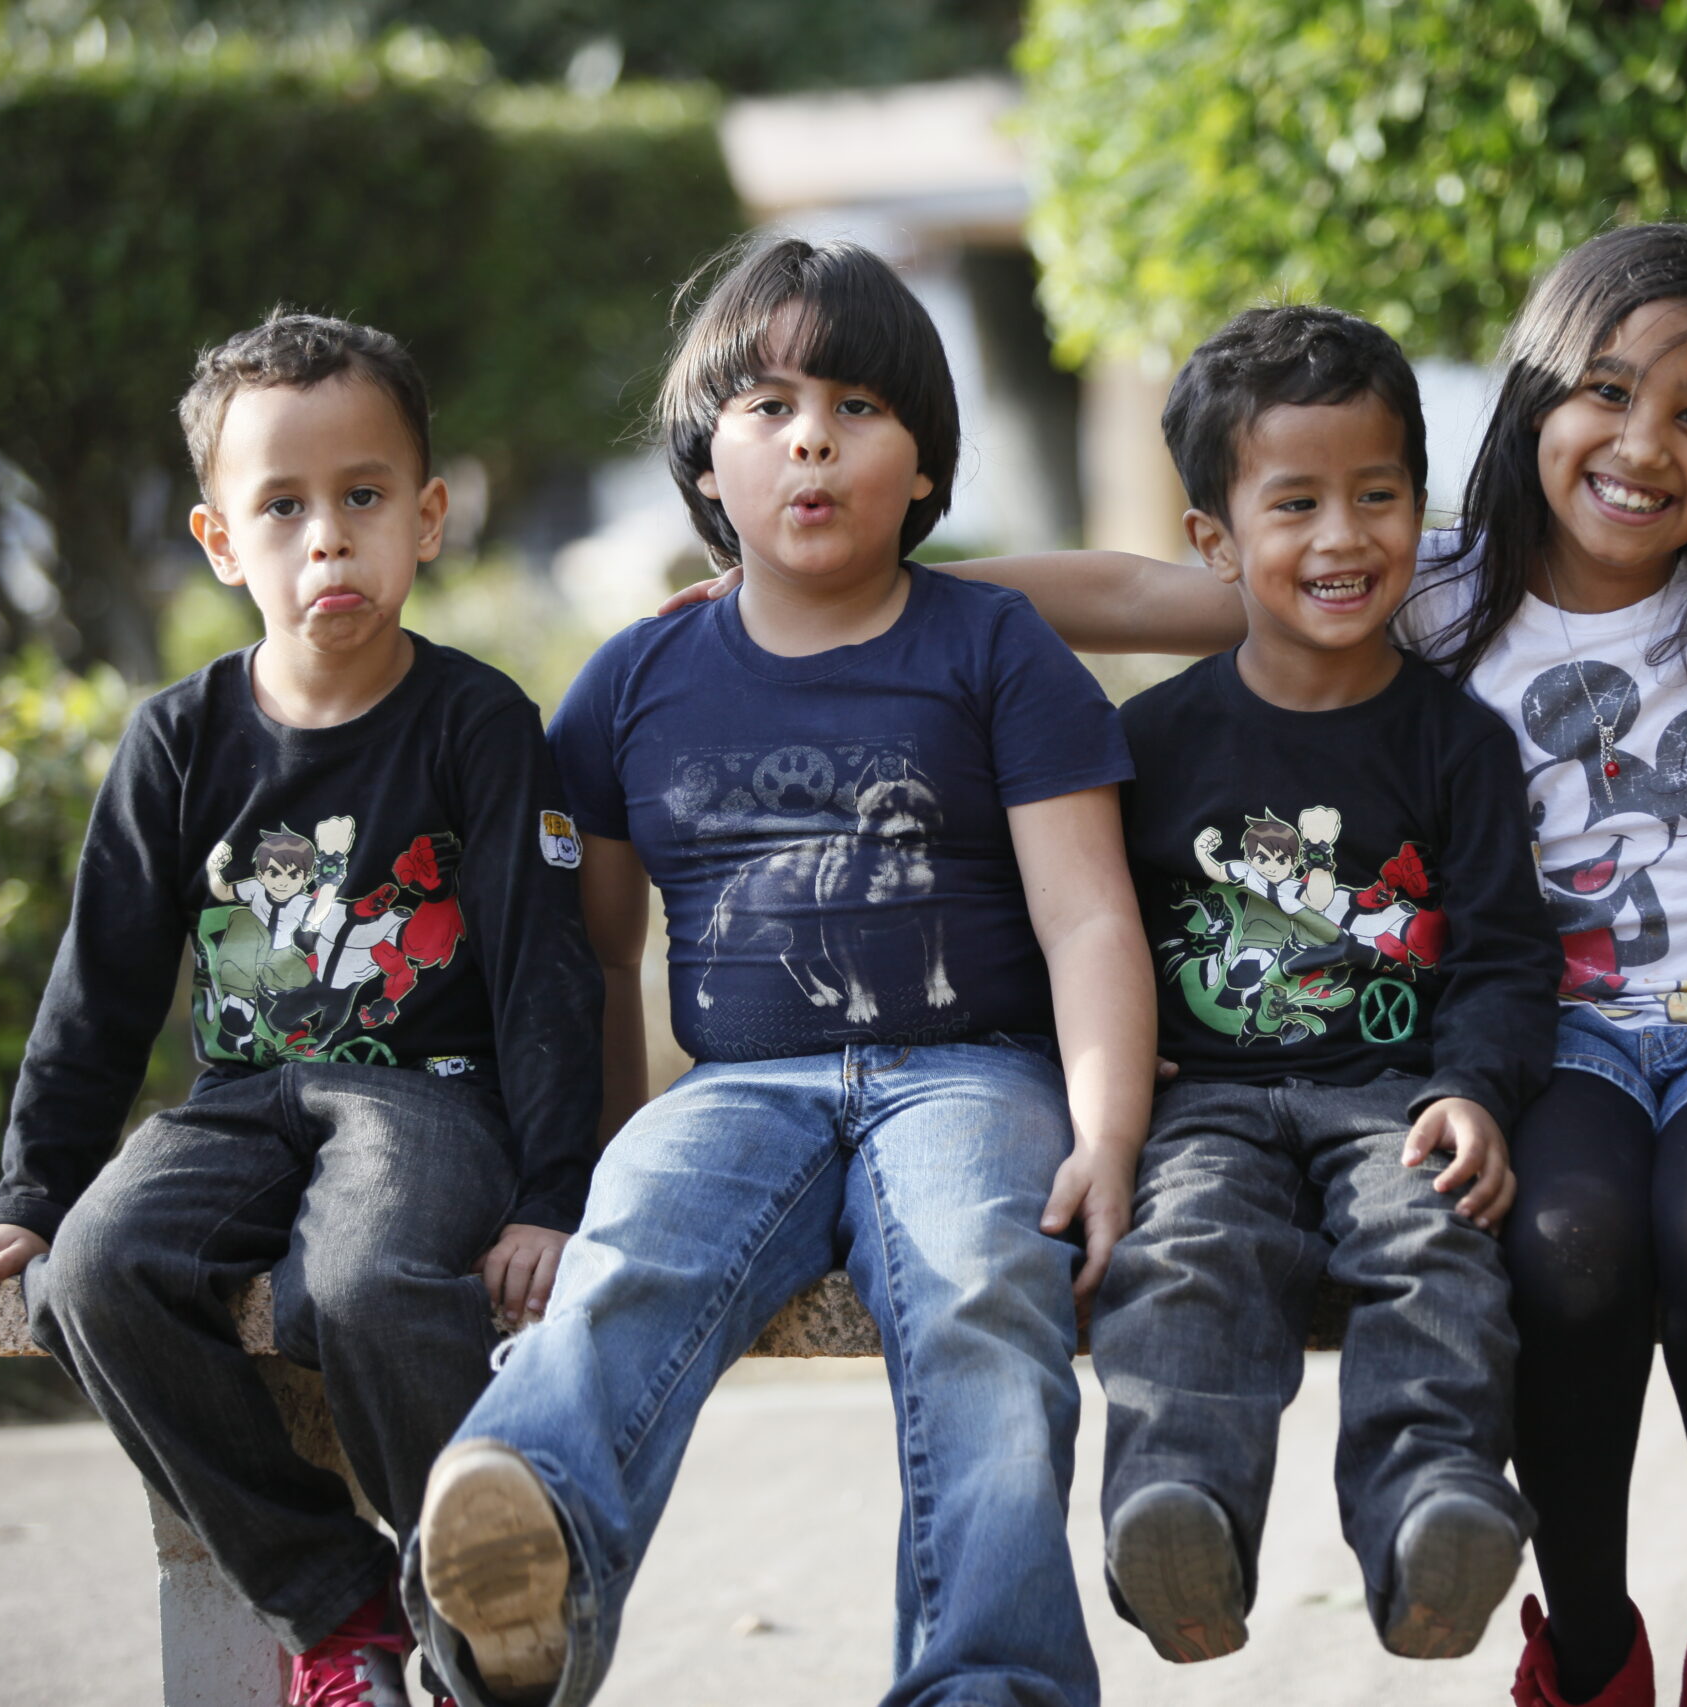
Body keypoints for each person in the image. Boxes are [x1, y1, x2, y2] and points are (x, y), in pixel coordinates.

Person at [661, 225, 1687, 1707]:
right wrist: (831, 581)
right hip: (1556, 1041)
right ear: (1536, 397)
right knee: (1561, 1239)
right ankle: (1594, 1640)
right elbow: (1129, 584)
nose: (1644, 445)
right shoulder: (1433, 578)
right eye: (1606, 395)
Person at [403, 234, 1156, 1707]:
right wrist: (588, 1168)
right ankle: (526, 1555)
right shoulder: (633, 680)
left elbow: (1089, 919)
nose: (812, 433)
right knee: (633, 1252)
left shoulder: (993, 647)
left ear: (927, 471)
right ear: (705, 472)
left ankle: (987, 1681)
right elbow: (602, 950)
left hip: (970, 1078)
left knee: (983, 1297)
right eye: (767, 405)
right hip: (737, 1086)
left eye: (860, 405)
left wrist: (1110, 1131)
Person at [0, 310, 604, 1707]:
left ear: (427, 517)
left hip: (434, 1099)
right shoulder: (180, 740)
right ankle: (337, 1602)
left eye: (363, 498)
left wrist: (553, 1191)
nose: (327, 539)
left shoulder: (480, 725)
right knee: (98, 1272)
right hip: (242, 1106)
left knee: (361, 1282)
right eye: (283, 507)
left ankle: (491, 1610)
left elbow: (548, 971)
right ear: (220, 542)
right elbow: (101, 983)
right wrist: (35, 1191)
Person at [1088, 305, 1559, 1667]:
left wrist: (1475, 1091)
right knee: (1181, 1256)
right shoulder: (1151, 742)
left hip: (1396, 1094)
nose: (1344, 537)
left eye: (1378, 495)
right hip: (1206, 1104)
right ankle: (1179, 1520)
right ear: (1215, 542)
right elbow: (1087, 931)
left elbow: (1508, 956)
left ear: (1423, 504)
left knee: (1434, 1246)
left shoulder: (1458, 744)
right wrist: (1110, 1078)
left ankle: (1433, 1515)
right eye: (1295, 503)